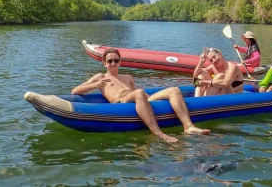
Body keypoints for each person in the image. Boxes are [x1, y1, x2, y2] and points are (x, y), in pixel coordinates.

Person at [71, 48, 210, 143]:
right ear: (104, 63)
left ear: (120, 62)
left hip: (136, 97)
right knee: (139, 93)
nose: (113, 63)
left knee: (174, 90)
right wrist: (96, 85)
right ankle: (159, 133)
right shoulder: (100, 77)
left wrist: (143, 99)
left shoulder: (127, 76)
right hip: (121, 102)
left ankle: (188, 126)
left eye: (116, 60)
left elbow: (139, 96)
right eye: (110, 61)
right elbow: (75, 91)